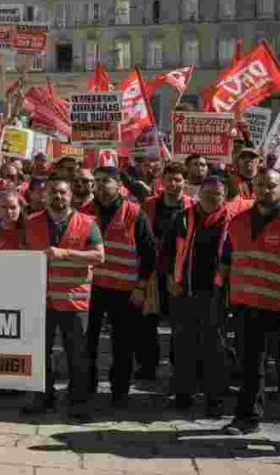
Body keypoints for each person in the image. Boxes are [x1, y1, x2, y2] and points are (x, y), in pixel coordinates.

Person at [222, 169, 280, 442]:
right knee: (250, 367)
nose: (265, 190)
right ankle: (247, 418)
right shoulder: (237, 222)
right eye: (260, 185)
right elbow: (226, 262)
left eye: (271, 186)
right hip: (246, 307)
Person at [23, 177, 103, 419]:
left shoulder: (87, 223)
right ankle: (43, 397)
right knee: (39, 352)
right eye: (53, 193)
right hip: (40, 300)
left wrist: (66, 253)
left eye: (62, 193)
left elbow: (99, 257)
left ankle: (78, 401)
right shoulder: (31, 222)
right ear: (45, 196)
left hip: (74, 300)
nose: (58, 197)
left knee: (77, 354)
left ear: (70, 196)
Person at [83, 166, 156, 408]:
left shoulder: (135, 213)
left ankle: (119, 391)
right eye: (98, 180)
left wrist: (141, 287)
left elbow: (149, 253)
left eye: (107, 181)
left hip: (124, 290)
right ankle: (86, 386)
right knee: (86, 341)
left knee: (122, 344)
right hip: (90, 289)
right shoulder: (84, 212)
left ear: (118, 185)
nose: (102, 186)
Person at [166, 175, 229, 416]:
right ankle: (184, 394)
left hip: (217, 294)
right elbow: (167, 253)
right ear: (199, 194)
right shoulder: (182, 218)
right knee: (183, 344)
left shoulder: (231, 220)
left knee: (215, 348)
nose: (213, 198)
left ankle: (215, 400)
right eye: (208, 193)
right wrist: (171, 279)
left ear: (224, 197)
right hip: (184, 291)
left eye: (218, 194)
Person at [138, 162, 195, 382]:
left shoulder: (192, 207)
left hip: (180, 271)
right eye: (169, 179)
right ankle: (147, 366)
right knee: (147, 321)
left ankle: (178, 364)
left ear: (185, 183)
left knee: (180, 322)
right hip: (153, 270)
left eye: (178, 180)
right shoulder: (150, 205)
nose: (173, 184)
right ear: (162, 182)